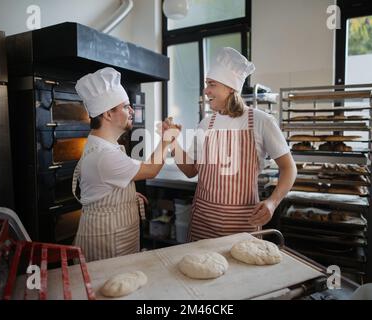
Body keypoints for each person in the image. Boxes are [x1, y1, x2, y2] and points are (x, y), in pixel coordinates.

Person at [169, 47, 297, 241]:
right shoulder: (205, 124)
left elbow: (289, 168)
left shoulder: (261, 121)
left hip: (243, 224)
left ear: (230, 88)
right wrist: (172, 142)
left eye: (211, 84)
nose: (206, 90)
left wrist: (272, 202)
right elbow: (190, 171)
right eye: (206, 84)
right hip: (203, 223)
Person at [73, 67, 178, 261]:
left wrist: (125, 195)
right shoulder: (104, 155)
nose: (132, 111)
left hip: (115, 234)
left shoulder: (105, 146)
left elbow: (103, 185)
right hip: (106, 240)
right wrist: (166, 139)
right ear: (108, 114)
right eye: (125, 106)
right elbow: (151, 169)